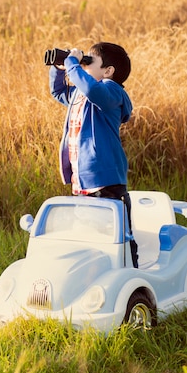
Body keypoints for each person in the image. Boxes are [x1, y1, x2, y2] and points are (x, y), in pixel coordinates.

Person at [49, 42, 139, 268]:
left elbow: (93, 90)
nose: (83, 64)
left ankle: (132, 274)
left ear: (108, 71)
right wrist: (60, 68)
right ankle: (98, 276)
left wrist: (72, 64)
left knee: (118, 236)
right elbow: (58, 91)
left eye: (89, 61)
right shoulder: (81, 93)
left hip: (106, 179)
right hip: (82, 180)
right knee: (90, 237)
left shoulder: (112, 92)